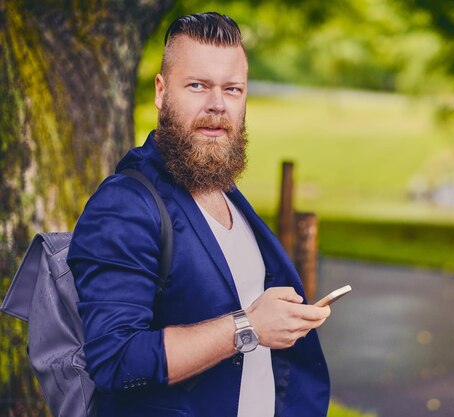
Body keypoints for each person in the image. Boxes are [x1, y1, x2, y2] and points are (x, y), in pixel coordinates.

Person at [67, 12, 331, 417]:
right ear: (161, 91)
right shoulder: (124, 205)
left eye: (232, 89)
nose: (217, 105)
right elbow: (114, 360)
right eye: (197, 85)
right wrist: (248, 328)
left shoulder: (224, 191)